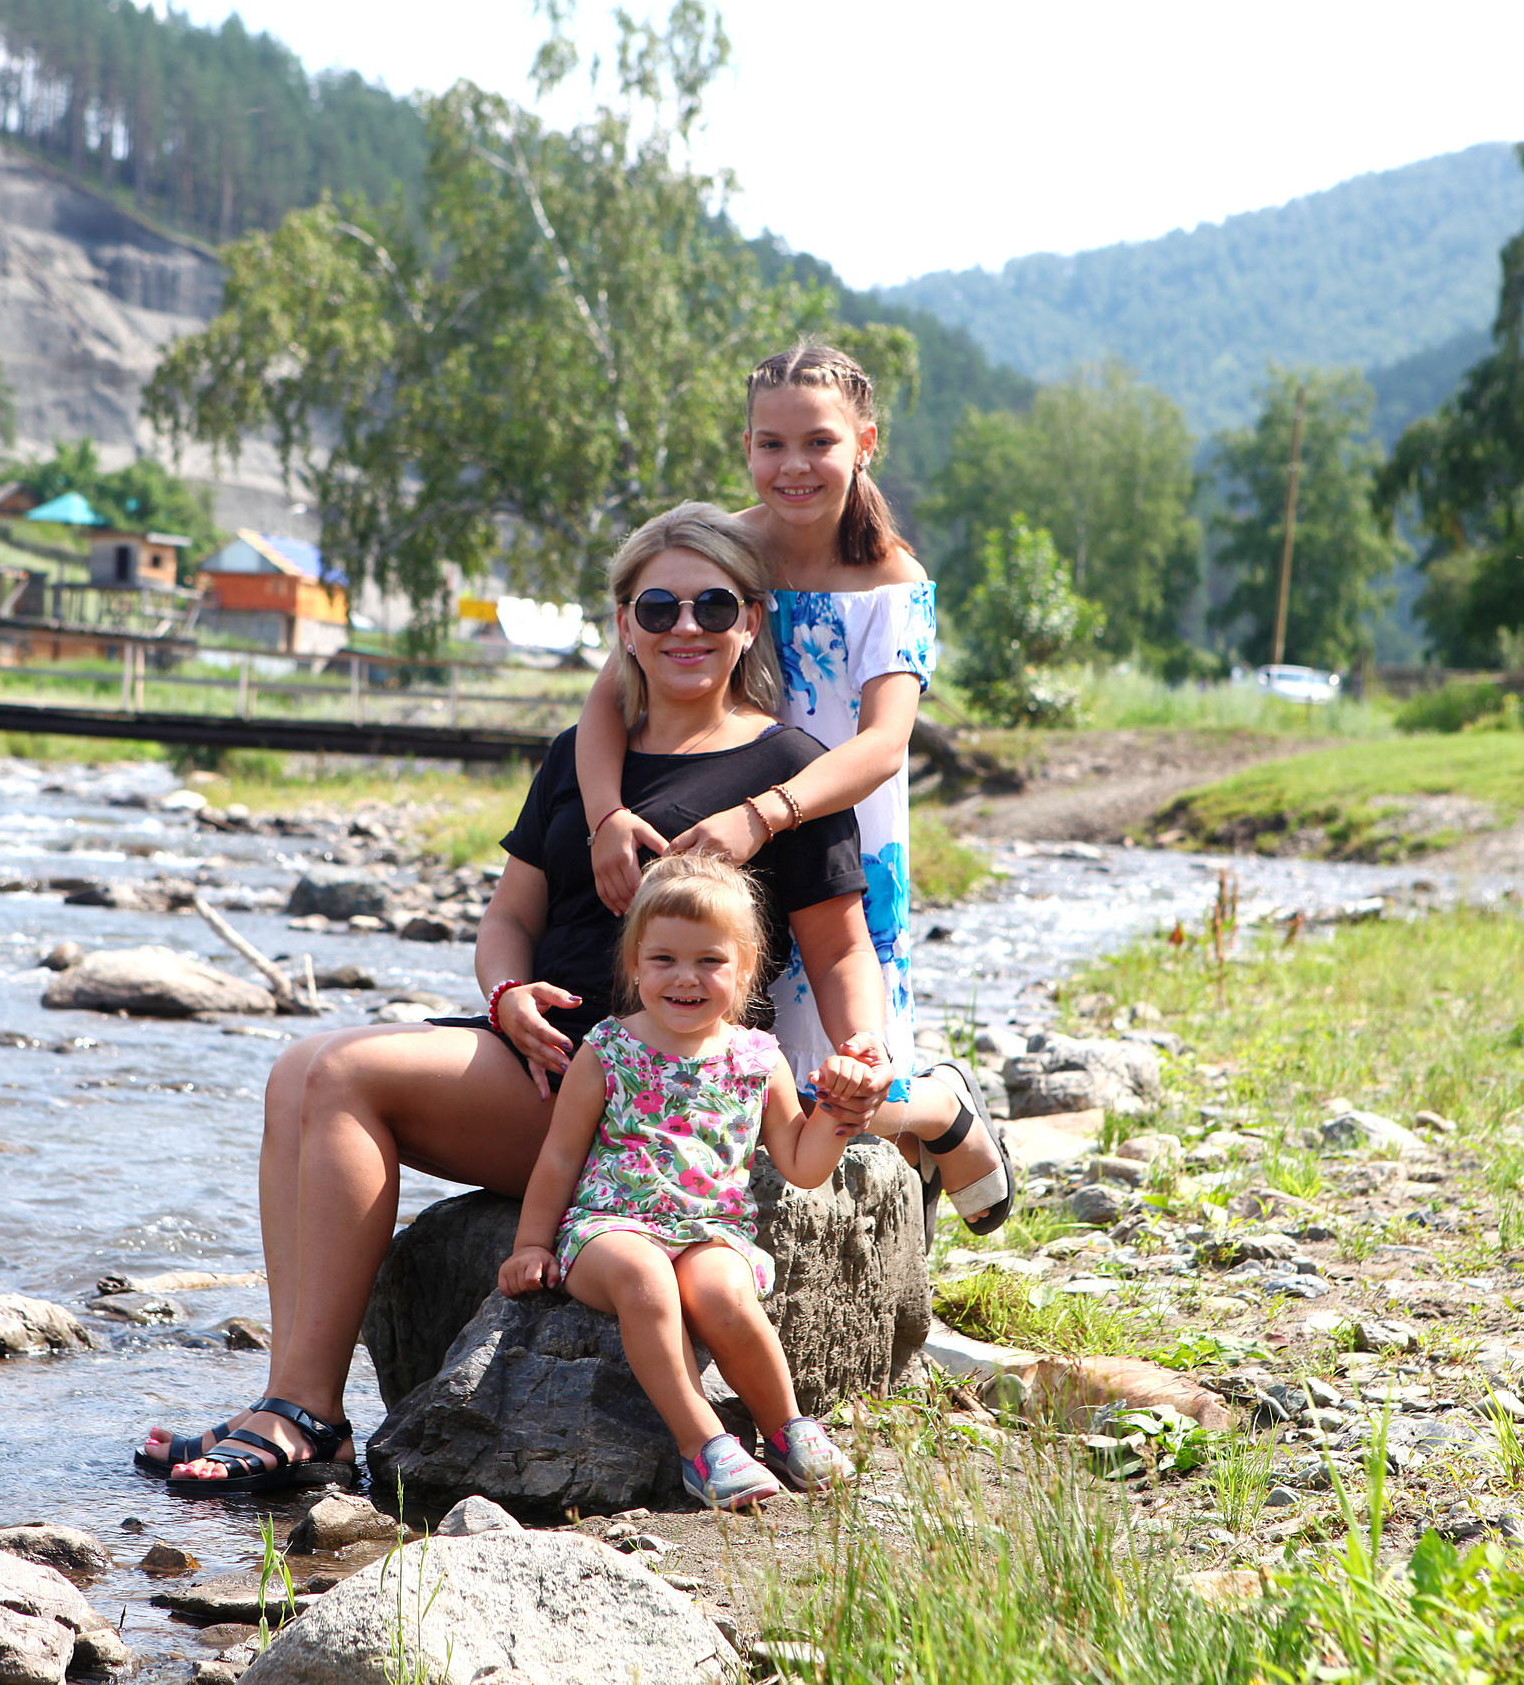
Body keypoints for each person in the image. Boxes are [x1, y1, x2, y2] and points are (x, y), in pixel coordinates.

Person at [136, 501, 894, 1492]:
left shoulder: (788, 771)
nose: (686, 629)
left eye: (714, 605)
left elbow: (841, 952)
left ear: (749, 619)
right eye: (657, 608)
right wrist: (502, 998)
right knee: (303, 1067)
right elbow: (506, 923)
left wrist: (865, 1055)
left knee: (343, 1072)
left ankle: (303, 1414)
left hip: (657, 1096)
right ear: (623, 624)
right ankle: (295, 1403)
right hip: (539, 1055)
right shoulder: (586, 760)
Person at [572, 341, 1015, 1244]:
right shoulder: (722, 553)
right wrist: (604, 815)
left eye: (818, 442)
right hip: (729, 805)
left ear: (865, 442)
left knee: (827, 1085)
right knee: (737, 1071)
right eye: (770, 445)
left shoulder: (894, 581)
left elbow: (886, 743)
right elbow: (606, 700)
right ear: (746, 448)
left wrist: (763, 813)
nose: (794, 466)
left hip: (831, 823)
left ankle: (937, 1110)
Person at [497, 852, 858, 1510]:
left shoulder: (758, 1057)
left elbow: (803, 1164)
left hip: (710, 1229)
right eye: (663, 959)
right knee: (646, 1278)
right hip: (609, 1228)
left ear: (744, 967)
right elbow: (558, 1156)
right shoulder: (609, 1048)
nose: (685, 978)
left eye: (710, 961)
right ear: (634, 964)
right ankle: (704, 1444)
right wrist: (530, 1245)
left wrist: (835, 1112)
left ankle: (786, 1427)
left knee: (723, 1289)